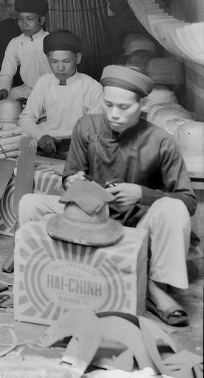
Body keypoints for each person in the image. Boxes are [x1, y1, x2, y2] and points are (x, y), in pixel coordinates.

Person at [19, 65, 196, 326]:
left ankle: (155, 287)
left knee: (175, 210)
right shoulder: (86, 127)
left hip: (137, 227)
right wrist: (73, 181)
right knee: (30, 204)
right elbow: (70, 176)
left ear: (143, 104)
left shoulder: (161, 141)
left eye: (124, 108)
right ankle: (50, 271)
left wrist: (142, 194)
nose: (114, 114)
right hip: (92, 220)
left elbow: (188, 200)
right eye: (108, 104)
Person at [19, 30, 103, 159]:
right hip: (45, 148)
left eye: (66, 61)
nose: (60, 68)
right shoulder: (43, 82)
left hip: (80, 152)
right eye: (54, 61)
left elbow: (94, 130)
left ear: (78, 58)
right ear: (47, 60)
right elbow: (25, 118)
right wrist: (40, 136)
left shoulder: (92, 87)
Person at [0, 0, 52, 102]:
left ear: (41, 20)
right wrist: (3, 89)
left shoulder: (51, 41)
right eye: (20, 19)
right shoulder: (15, 43)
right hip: (26, 90)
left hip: (50, 91)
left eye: (30, 19)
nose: (24, 24)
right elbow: (7, 73)